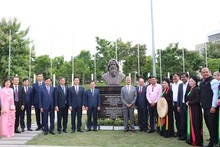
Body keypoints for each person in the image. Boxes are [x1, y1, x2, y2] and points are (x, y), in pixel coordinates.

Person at [200, 67, 219, 147]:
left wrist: (213, 106)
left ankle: (213, 142)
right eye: (203, 72)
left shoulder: (214, 81)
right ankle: (212, 138)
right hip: (205, 107)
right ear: (201, 74)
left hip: (211, 107)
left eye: (206, 72)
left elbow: (215, 95)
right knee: (208, 124)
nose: (205, 73)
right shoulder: (202, 82)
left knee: (212, 124)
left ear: (209, 72)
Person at [186, 76, 203, 146]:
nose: (190, 82)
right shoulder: (191, 89)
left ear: (195, 82)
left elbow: (198, 100)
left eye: (192, 81)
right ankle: (192, 138)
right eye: (190, 81)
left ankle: (197, 140)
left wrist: (189, 103)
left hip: (196, 110)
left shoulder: (196, 89)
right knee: (192, 123)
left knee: (196, 124)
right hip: (191, 109)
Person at [177, 72, 191, 141]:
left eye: (184, 77)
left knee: (189, 120)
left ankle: (189, 135)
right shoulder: (180, 85)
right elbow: (179, 96)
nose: (183, 78)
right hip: (182, 105)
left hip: (188, 105)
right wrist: (178, 106)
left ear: (187, 77)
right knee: (182, 121)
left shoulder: (190, 84)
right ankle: (183, 135)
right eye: (182, 77)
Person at [171, 73, 182, 137]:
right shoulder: (172, 85)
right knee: (176, 118)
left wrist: (179, 105)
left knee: (181, 118)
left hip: (180, 103)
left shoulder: (181, 84)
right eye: (173, 77)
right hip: (174, 103)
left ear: (179, 77)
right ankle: (178, 131)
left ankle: (182, 132)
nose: (174, 78)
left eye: (176, 76)